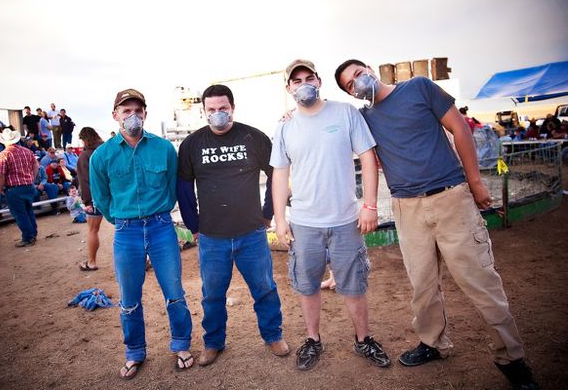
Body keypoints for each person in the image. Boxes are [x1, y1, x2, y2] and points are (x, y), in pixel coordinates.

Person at [334, 59, 538, 390]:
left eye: (358, 74)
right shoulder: (364, 119)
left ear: (370, 68)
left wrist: (476, 182)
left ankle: (511, 357)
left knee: (480, 280)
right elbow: (330, 123)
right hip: (406, 207)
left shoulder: (418, 87)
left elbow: (459, 128)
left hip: (450, 197)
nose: (358, 83)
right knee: (422, 285)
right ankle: (433, 343)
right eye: (350, 85)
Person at [270, 59, 390, 371]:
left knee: (354, 283)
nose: (303, 84)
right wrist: (280, 218)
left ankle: (363, 339)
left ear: (319, 80)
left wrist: (370, 205)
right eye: (296, 81)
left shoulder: (345, 113)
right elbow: (280, 174)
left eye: (309, 78)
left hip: (346, 219)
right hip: (305, 221)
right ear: (289, 88)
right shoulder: (284, 125)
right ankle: (312, 340)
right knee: (307, 284)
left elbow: (367, 156)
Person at [177, 84, 288, 367]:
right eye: (212, 110)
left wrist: (267, 213)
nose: (218, 114)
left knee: (264, 287)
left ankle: (273, 335)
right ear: (204, 112)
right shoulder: (192, 144)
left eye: (223, 108)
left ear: (233, 108)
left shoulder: (253, 137)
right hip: (212, 236)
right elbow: (184, 186)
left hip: (251, 232)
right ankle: (213, 342)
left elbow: (276, 172)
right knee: (212, 294)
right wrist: (194, 224)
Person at [89, 88, 193, 379]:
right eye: (126, 111)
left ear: (145, 114)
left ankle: (182, 345)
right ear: (115, 115)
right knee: (129, 298)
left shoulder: (163, 149)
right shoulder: (102, 156)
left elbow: (173, 188)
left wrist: (158, 215)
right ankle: (134, 352)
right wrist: (124, 221)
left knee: (174, 293)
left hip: (161, 228)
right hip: (126, 232)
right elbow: (103, 200)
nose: (133, 116)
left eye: (138, 111)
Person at [0, 128, 39, 247]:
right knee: (28, 210)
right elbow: (36, 165)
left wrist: (0, 188)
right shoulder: (26, 151)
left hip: (14, 188)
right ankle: (32, 234)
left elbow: (0, 175)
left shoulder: (3, 154)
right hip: (28, 185)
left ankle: (28, 237)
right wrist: (32, 178)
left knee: (20, 214)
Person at [76, 127, 104, 271]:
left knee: (93, 230)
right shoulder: (106, 149)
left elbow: (84, 180)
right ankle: (143, 260)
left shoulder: (85, 155)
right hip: (116, 195)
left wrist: (87, 201)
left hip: (95, 198)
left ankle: (92, 262)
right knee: (125, 229)